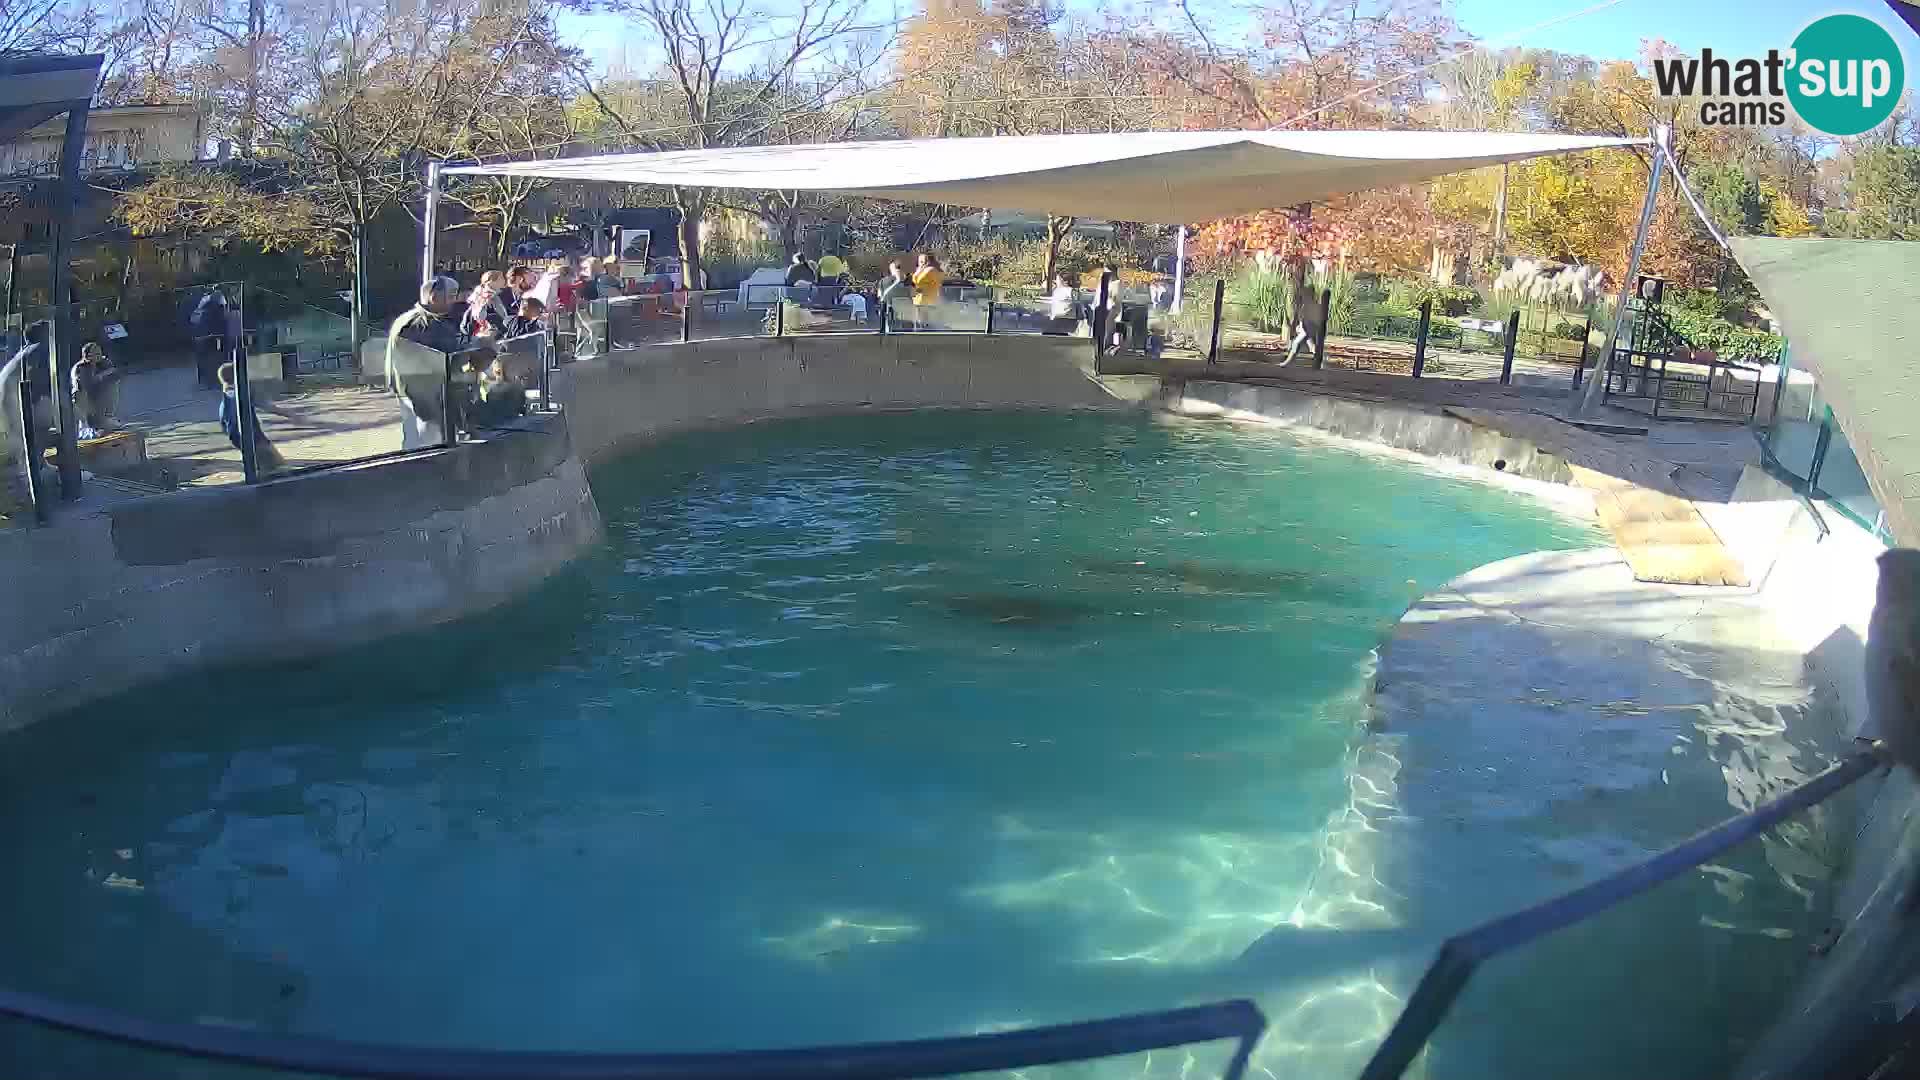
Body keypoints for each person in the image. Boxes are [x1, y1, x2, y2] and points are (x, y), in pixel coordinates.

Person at [388, 276, 484, 449]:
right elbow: (445, 351)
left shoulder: (418, 319)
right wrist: (477, 345)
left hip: (421, 389)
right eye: (452, 295)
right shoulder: (419, 323)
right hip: (422, 391)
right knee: (427, 440)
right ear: (434, 297)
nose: (455, 301)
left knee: (421, 436)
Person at [215, 361, 285, 472]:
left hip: (237, 437)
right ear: (239, 376)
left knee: (264, 463)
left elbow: (223, 423)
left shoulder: (226, 398)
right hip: (253, 436)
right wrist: (293, 415)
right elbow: (268, 407)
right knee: (276, 465)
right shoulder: (243, 394)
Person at [72, 342, 117, 438]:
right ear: (87, 356)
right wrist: (100, 376)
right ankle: (84, 425)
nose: (99, 355)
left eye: (99, 352)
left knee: (112, 386)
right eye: (96, 353)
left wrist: (104, 376)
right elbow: (85, 386)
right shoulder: (80, 367)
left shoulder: (105, 362)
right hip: (83, 403)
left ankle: (107, 417)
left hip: (98, 401)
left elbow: (115, 375)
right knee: (79, 393)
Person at [190, 287, 232, 390]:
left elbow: (194, 320)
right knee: (212, 358)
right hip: (210, 337)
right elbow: (222, 320)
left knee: (207, 359)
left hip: (205, 337)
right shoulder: (214, 306)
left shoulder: (204, 304)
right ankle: (212, 381)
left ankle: (207, 381)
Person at [911, 253, 944, 328]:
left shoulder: (930, 270)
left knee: (924, 323)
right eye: (919, 261)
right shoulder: (924, 270)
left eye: (922, 261)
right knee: (920, 322)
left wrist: (918, 271)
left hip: (926, 299)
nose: (920, 263)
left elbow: (917, 281)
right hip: (920, 299)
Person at [877, 261, 910, 327]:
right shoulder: (908, 280)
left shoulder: (883, 281)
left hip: (887, 305)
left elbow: (879, 295)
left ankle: (883, 328)